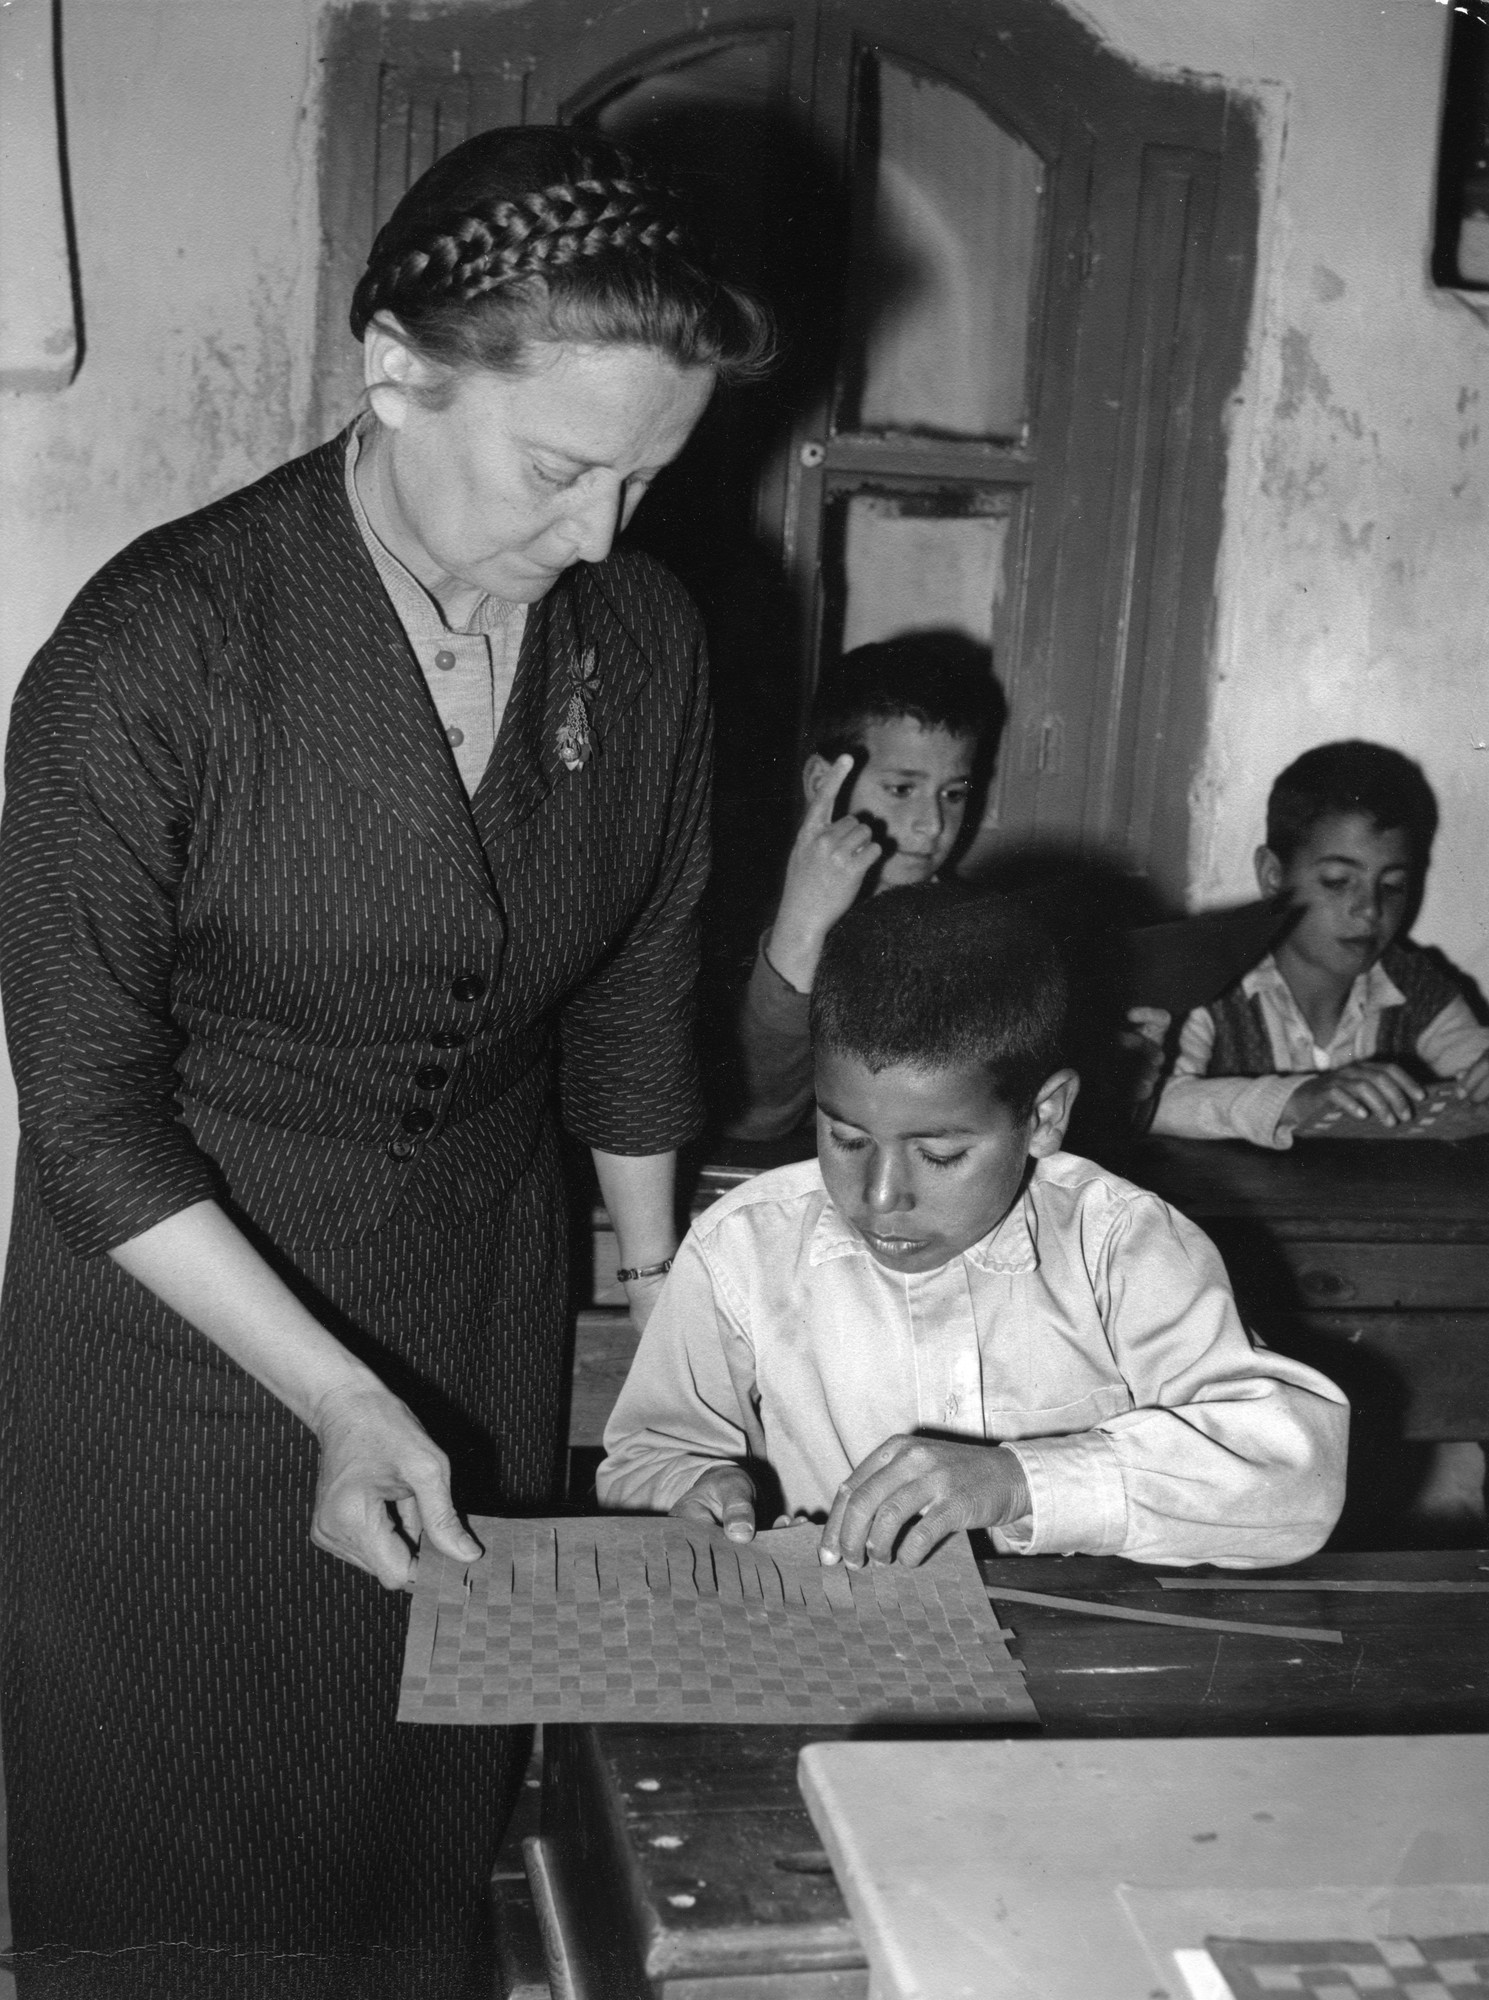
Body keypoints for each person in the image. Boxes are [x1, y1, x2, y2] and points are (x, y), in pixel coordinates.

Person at [0, 127, 770, 1998]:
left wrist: (676, 1335)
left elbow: (633, 996)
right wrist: (337, 1400)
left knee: (420, 1855)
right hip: (177, 1360)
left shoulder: (641, 640)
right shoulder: (152, 652)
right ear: (394, 369)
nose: (597, 536)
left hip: (475, 1305)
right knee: (193, 1882)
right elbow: (90, 1124)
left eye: (646, 480)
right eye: (561, 469)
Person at [599, 889, 1347, 1570]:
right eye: (845, 1138)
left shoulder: (1119, 1246)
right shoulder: (744, 1248)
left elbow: (1297, 1481)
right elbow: (647, 1456)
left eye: (940, 1153)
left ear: (1044, 1116)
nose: (881, 1195)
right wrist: (697, 1485)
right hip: (837, 1648)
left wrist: (1021, 1482)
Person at [1151, 741, 1489, 1148]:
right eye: (1338, 882)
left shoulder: (1415, 984)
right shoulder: (1207, 980)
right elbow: (1153, 1104)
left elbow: (1474, 1069)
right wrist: (1297, 1099)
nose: (1369, 910)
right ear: (1273, 876)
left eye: (1392, 886)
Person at [727, 635, 999, 1141]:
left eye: (953, 793)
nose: (931, 824)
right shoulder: (744, 916)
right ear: (821, 782)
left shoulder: (971, 922)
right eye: (901, 789)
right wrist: (802, 928)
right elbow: (755, 1118)